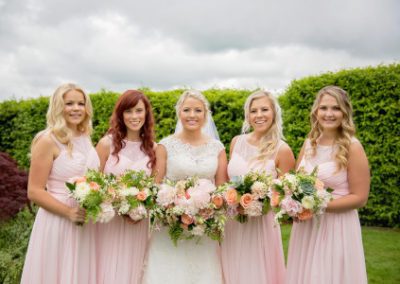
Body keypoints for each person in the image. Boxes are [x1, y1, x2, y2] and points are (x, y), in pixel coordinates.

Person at [142, 90, 228, 284]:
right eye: (187, 109)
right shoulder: (166, 145)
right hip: (169, 225)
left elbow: (222, 188)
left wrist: (208, 210)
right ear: (179, 113)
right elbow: (155, 185)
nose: (192, 115)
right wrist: (172, 207)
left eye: (198, 110)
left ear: (205, 115)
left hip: (204, 227)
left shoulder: (217, 147)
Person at [286, 86, 370, 284]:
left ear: (345, 112)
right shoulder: (309, 143)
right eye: (324, 108)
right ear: (316, 111)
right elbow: (294, 183)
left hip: (337, 227)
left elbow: (360, 198)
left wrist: (316, 205)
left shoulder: (353, 146)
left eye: (336, 108)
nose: (329, 114)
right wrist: (292, 203)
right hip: (306, 227)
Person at [21, 83, 100, 284]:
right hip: (58, 221)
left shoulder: (86, 138)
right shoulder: (47, 140)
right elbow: (35, 191)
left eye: (81, 103)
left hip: (84, 222)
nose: (76, 108)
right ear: (58, 107)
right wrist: (68, 212)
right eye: (69, 103)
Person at [220, 90, 294, 284]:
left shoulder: (282, 149)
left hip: (261, 225)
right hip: (233, 221)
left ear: (274, 113)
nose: (259, 115)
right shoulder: (236, 142)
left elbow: (286, 198)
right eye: (254, 111)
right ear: (247, 115)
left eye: (264, 109)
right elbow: (229, 181)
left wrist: (261, 201)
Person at [95, 90, 156, 284]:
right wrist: (114, 204)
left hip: (136, 225)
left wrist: (141, 209)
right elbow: (93, 184)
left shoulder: (154, 149)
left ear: (146, 113)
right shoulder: (106, 145)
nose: (134, 116)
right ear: (120, 114)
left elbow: (155, 190)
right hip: (108, 224)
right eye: (128, 111)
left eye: (139, 111)